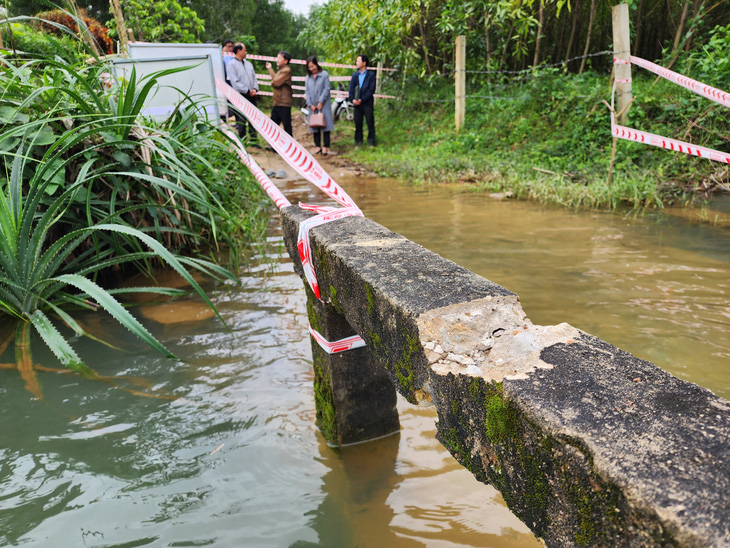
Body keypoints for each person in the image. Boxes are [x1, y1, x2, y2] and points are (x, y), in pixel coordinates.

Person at [226, 43, 260, 145]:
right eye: (244, 50)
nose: (246, 52)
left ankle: (254, 141)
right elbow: (235, 82)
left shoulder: (249, 64)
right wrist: (246, 90)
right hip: (241, 96)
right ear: (238, 51)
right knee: (241, 119)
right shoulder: (232, 64)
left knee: (253, 119)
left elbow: (254, 78)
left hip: (252, 95)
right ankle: (243, 141)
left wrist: (254, 89)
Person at [305, 56, 335, 155]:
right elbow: (307, 91)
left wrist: (321, 101)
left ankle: (325, 147)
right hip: (312, 105)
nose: (311, 69)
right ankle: (317, 146)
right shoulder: (308, 77)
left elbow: (327, 89)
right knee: (315, 125)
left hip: (324, 104)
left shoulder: (324, 75)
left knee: (325, 125)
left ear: (317, 64)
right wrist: (309, 104)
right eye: (309, 67)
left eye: (313, 66)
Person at [348, 54, 376, 147]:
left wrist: (362, 99)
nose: (356, 63)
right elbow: (351, 89)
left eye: (358, 61)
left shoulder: (371, 75)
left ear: (364, 63)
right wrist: (352, 99)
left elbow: (371, 90)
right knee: (358, 123)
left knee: (370, 122)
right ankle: (358, 141)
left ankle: (371, 141)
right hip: (357, 104)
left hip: (367, 103)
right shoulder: (355, 75)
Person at [266, 51, 293, 136]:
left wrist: (272, 82)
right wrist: (270, 68)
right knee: (273, 125)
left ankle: (290, 145)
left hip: (284, 103)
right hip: (278, 102)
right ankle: (274, 146)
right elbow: (276, 79)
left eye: (279, 58)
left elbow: (276, 83)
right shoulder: (281, 70)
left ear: (285, 61)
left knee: (286, 126)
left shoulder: (286, 71)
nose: (277, 60)